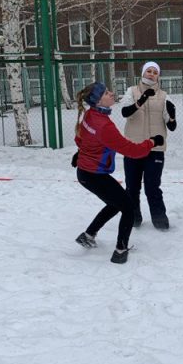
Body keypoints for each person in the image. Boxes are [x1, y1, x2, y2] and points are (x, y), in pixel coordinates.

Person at [73, 81, 164, 264]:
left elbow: (80, 138)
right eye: (106, 93)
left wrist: (81, 152)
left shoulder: (91, 114)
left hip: (86, 173)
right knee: (128, 208)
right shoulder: (104, 125)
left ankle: (88, 235)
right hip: (94, 175)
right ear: (98, 101)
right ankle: (120, 251)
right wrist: (152, 142)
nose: (112, 93)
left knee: (116, 203)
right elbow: (132, 150)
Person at [120, 61, 177, 230]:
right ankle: (134, 219)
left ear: (158, 75)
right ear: (143, 73)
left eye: (155, 72)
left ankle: (160, 223)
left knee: (152, 188)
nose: (151, 74)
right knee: (132, 188)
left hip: (155, 149)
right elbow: (125, 112)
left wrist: (172, 117)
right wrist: (142, 100)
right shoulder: (132, 91)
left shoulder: (165, 96)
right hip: (133, 147)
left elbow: (172, 126)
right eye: (149, 71)